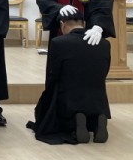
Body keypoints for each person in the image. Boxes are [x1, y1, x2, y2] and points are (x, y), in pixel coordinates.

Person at [27, 11, 110, 145]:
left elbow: (54, 73)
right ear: (84, 24)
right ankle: (98, 120)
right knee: (93, 93)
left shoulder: (58, 42)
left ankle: (76, 122)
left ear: (62, 24)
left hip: (70, 96)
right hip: (97, 97)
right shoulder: (104, 43)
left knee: (52, 97)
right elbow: (105, 70)